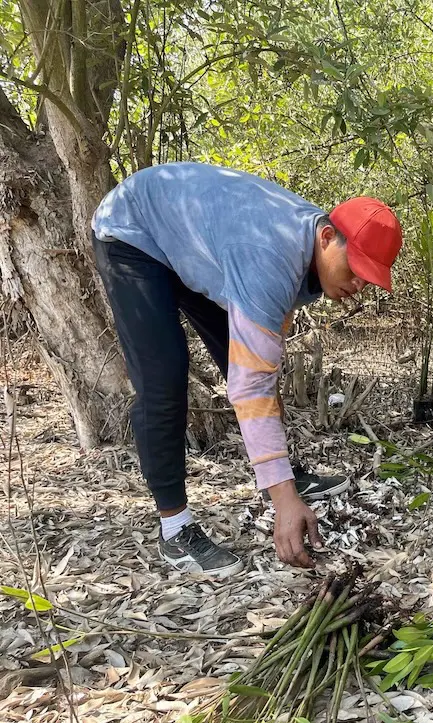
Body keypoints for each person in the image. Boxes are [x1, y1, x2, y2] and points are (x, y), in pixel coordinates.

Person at [91, 162, 403, 577]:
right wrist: (285, 504)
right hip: (133, 232)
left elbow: (263, 358)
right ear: (328, 237)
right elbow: (250, 386)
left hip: (191, 241)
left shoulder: (309, 242)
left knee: (252, 362)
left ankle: (283, 476)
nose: (359, 285)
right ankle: (175, 529)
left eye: (369, 278)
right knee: (164, 378)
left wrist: (279, 476)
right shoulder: (269, 257)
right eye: (356, 270)